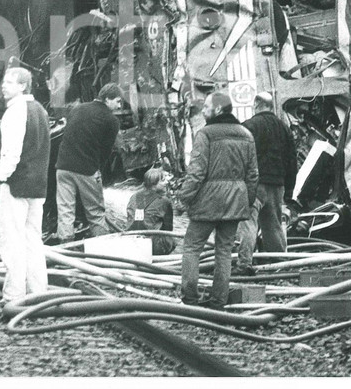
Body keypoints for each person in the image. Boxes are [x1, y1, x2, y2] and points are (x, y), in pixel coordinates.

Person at [178, 92, 258, 310]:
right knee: (224, 251)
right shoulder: (246, 134)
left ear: (219, 110)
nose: (203, 110)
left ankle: (190, 298)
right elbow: (252, 175)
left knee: (192, 247)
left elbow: (196, 173)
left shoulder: (205, 135)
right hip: (235, 202)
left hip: (208, 201)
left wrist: (183, 199)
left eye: (206, 107)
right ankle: (218, 301)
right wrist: (246, 202)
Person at [0, 67, 51, 303]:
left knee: (12, 241)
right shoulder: (40, 110)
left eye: (10, 82)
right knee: (33, 240)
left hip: (16, 185)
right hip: (37, 186)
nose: (4, 86)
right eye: (3, 81)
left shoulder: (15, 111)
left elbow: (11, 153)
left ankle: (13, 295)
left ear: (23, 86)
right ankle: (38, 293)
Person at [236, 92, 298, 275]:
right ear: (271, 106)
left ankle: (244, 264)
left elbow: (240, 157)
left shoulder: (248, 126)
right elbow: (292, 161)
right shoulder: (284, 128)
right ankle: (279, 264)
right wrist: (289, 191)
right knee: (273, 225)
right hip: (277, 185)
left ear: (256, 104)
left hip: (254, 184)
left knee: (249, 223)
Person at [53, 83, 123, 242]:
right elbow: (106, 152)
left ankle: (66, 246)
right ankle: (103, 249)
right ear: (107, 99)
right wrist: (97, 171)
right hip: (86, 169)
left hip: (62, 167)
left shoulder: (78, 109)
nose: (119, 106)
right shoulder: (111, 120)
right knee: (96, 213)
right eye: (118, 101)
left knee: (65, 210)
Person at [125, 167, 176, 255]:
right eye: (163, 180)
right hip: (150, 245)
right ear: (154, 184)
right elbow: (168, 229)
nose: (166, 182)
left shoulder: (133, 196)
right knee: (172, 241)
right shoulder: (164, 201)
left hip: (130, 241)